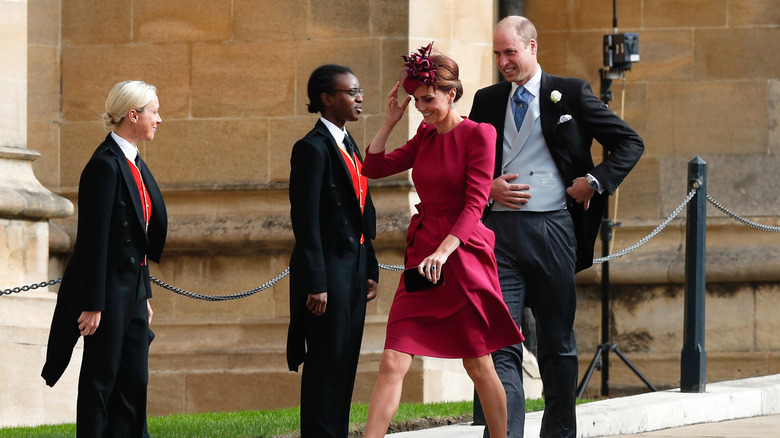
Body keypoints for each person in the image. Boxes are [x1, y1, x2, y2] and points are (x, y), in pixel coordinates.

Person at [469, 16, 645, 438]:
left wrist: (594, 182)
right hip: (498, 237)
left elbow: (629, 142)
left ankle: (559, 433)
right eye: (497, 54)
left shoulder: (571, 92)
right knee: (501, 343)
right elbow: (465, 158)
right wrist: (488, 186)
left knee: (556, 344)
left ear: (532, 47)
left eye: (510, 52)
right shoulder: (487, 99)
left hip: (553, 230)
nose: (503, 61)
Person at [362, 43, 524, 438]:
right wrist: (389, 121)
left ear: (451, 94)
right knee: (392, 361)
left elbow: (474, 206)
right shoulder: (424, 135)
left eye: (428, 99)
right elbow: (373, 167)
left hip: (462, 254)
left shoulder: (479, 135)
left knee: (478, 364)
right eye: (416, 100)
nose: (421, 107)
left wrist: (443, 251)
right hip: (422, 255)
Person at [42, 80, 168, 438]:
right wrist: (93, 303)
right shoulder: (104, 165)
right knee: (101, 382)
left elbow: (139, 240)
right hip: (108, 294)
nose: (159, 119)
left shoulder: (133, 162)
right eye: (154, 112)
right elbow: (93, 243)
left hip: (132, 294)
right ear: (133, 115)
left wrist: (144, 296)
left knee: (135, 380)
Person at [286, 64, 380, 438]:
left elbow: (360, 210)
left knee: (345, 365)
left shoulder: (348, 143)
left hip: (354, 268)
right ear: (327, 99)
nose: (359, 99)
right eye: (350, 92)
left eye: (359, 92)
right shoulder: (311, 148)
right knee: (325, 365)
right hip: (327, 274)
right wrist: (316, 281)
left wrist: (370, 266)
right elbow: (304, 220)